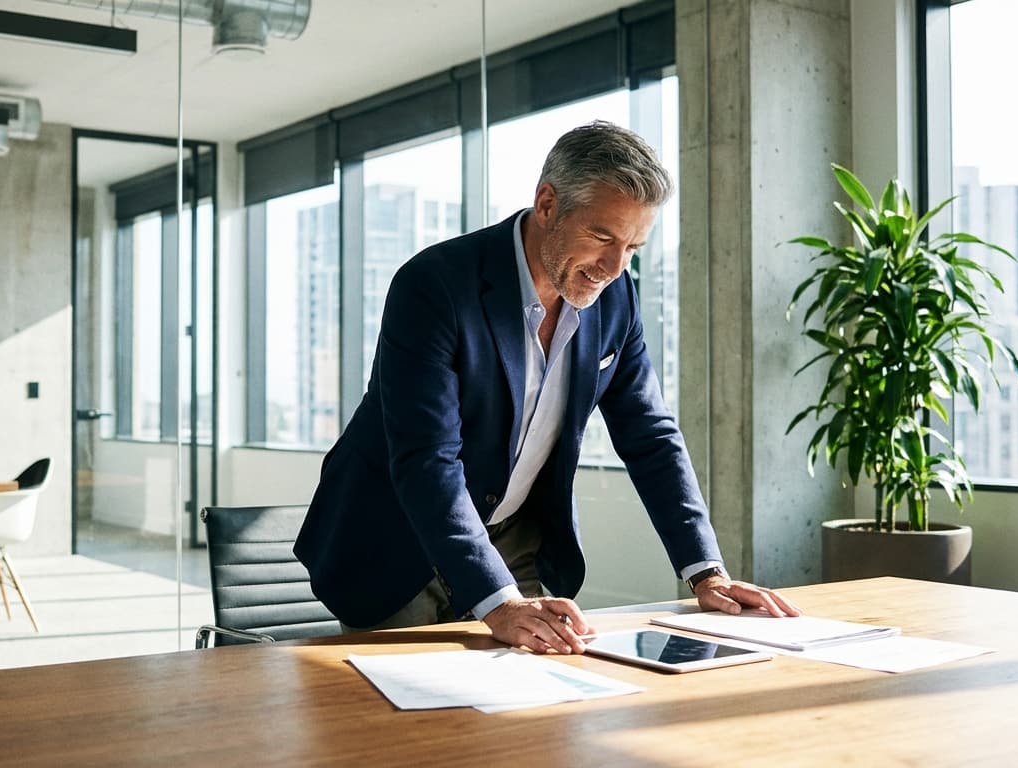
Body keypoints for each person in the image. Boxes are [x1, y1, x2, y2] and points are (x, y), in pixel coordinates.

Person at [294, 120, 800, 655]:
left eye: (633, 246)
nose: (613, 266)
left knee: (529, 707)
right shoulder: (435, 285)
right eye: (603, 237)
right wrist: (500, 602)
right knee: (406, 721)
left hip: (513, 538)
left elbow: (650, 434)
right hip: (397, 540)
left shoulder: (616, 297)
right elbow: (427, 459)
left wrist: (707, 573)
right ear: (547, 204)